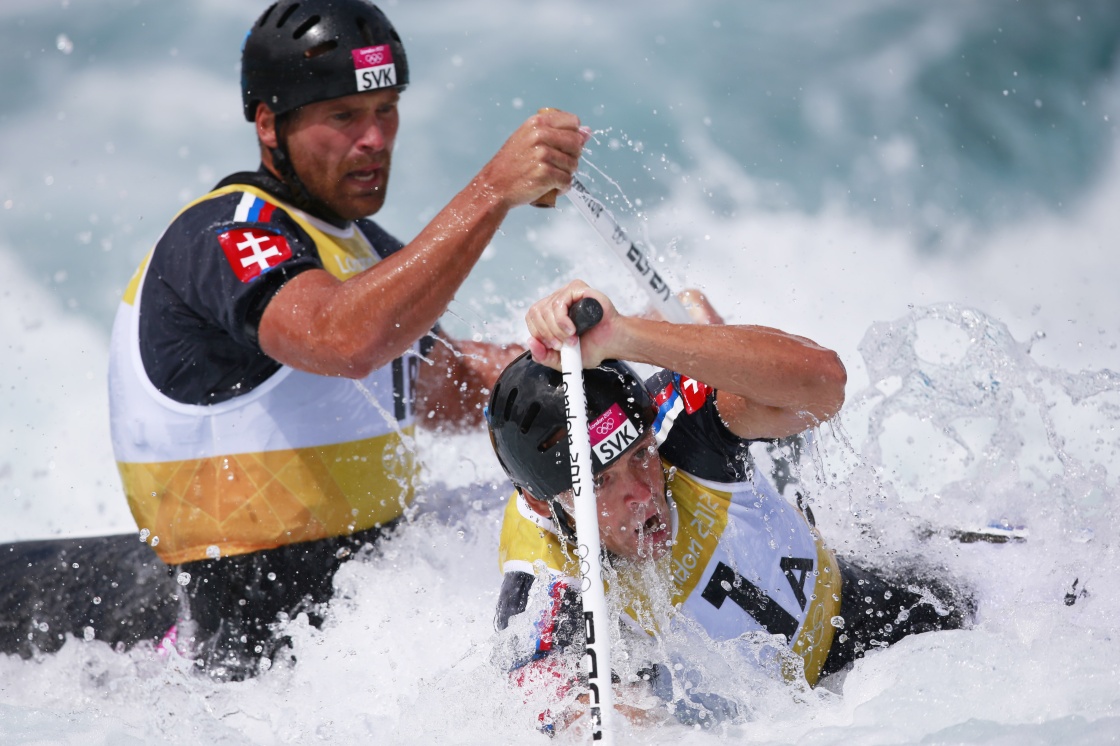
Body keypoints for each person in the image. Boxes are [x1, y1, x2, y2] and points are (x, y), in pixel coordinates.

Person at [107, 0, 587, 680]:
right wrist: (492, 192)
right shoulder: (224, 234)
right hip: (248, 657)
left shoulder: (363, 250)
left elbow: (455, 384)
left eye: (386, 110)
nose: (374, 139)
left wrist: (620, 360)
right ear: (269, 123)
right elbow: (344, 340)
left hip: (367, 621)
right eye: (343, 116)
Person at [487, 281, 971, 730]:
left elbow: (825, 383)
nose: (641, 495)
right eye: (600, 483)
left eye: (640, 456)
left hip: (868, 614)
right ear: (543, 505)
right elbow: (585, 724)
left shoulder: (673, 424)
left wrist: (626, 336)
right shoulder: (544, 594)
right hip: (781, 729)